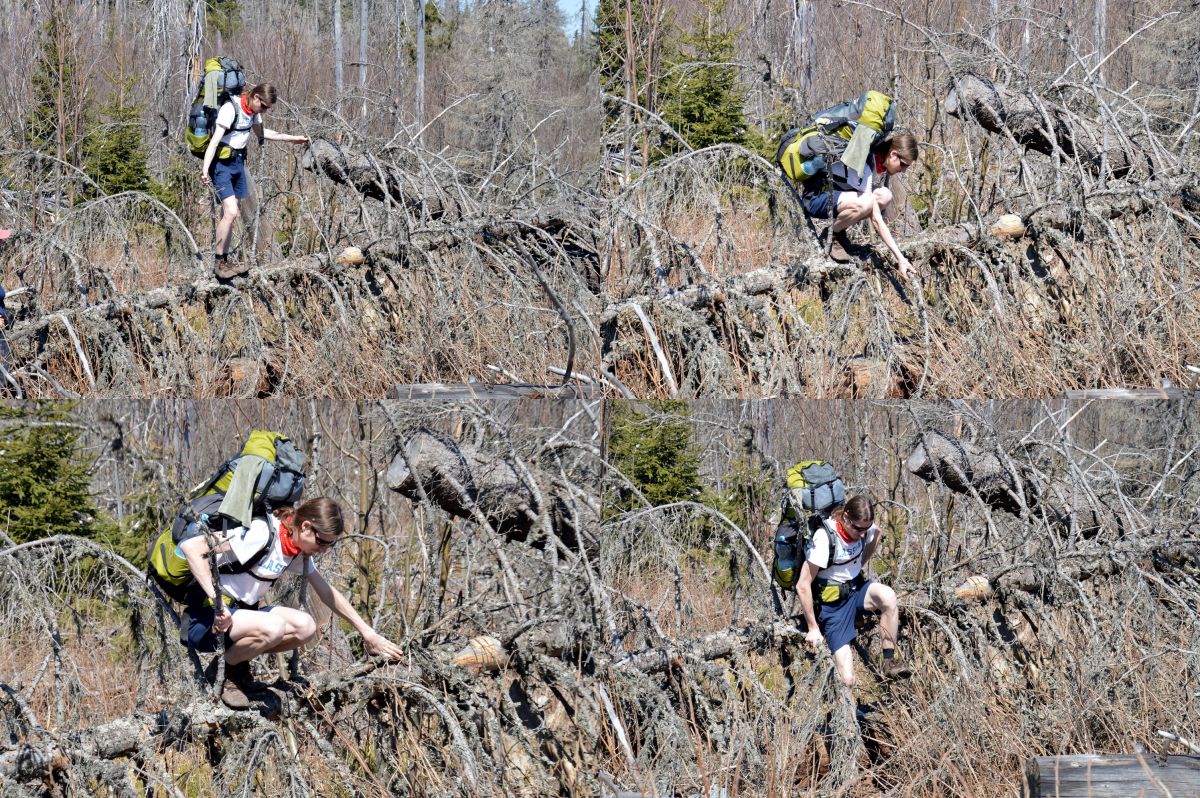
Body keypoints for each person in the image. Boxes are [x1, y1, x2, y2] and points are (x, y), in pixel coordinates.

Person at [179, 496, 403, 709]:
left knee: (305, 627)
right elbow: (192, 547)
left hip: (236, 622)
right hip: (205, 621)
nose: (324, 549)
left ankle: (235, 667)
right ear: (305, 526)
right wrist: (218, 603)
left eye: (329, 545)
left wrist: (368, 634)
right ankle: (222, 673)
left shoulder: (295, 550)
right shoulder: (262, 533)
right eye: (322, 541)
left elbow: (327, 592)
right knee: (273, 627)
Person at [796, 495, 910, 688]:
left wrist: (858, 565)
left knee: (888, 597)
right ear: (846, 518)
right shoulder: (825, 538)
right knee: (847, 680)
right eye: (858, 528)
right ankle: (845, 717)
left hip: (857, 589)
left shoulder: (863, 529)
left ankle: (889, 661)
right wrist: (813, 628)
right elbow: (803, 585)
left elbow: (877, 532)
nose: (863, 534)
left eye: (866, 528)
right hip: (833, 606)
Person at [199, 82, 309, 280]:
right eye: (264, 106)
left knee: (230, 213)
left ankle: (224, 260)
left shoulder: (253, 113)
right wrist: (205, 170)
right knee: (231, 212)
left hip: (238, 165)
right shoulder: (230, 109)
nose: (265, 111)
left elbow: (263, 133)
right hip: (221, 165)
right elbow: (215, 141)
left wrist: (292, 138)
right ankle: (218, 262)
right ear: (256, 98)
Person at [800, 135, 919, 279]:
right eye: (904, 164)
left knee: (885, 195)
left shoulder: (876, 160)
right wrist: (900, 257)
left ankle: (839, 233)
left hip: (833, 193)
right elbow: (876, 220)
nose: (904, 170)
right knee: (867, 203)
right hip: (815, 199)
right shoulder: (867, 164)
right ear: (893, 155)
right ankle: (830, 236)